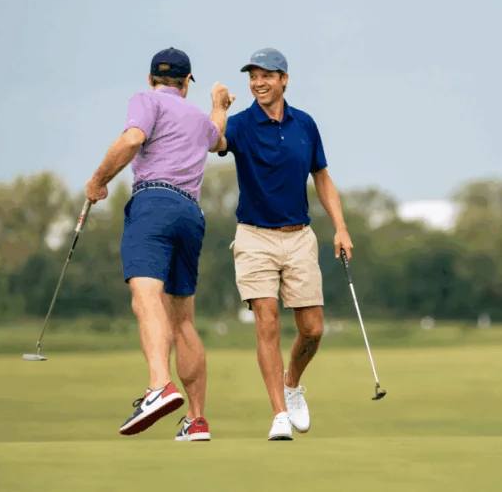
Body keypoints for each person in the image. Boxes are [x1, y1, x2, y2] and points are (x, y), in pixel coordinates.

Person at [85, 47, 236, 440]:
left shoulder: (145, 99)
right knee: (182, 319)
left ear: (152, 78)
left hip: (152, 203)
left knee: (145, 297)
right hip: (190, 213)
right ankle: (196, 419)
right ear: (187, 83)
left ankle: (158, 386)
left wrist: (99, 180)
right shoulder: (198, 117)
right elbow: (218, 139)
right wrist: (219, 104)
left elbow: (133, 138)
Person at [216, 48, 352, 441]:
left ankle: (291, 383)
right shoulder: (240, 125)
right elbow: (211, 141)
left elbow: (322, 178)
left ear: (284, 79)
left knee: (312, 329)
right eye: (253, 76)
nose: (259, 82)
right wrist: (219, 107)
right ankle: (278, 414)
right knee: (267, 321)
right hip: (254, 236)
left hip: (299, 237)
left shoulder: (305, 124)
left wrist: (340, 228)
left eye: (267, 75)